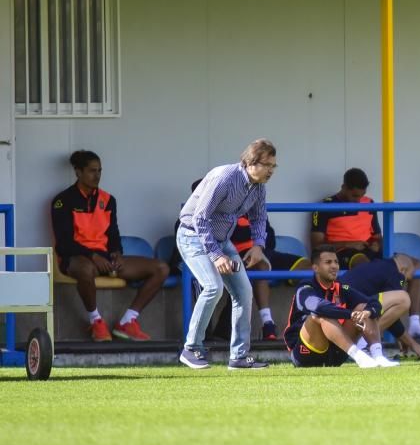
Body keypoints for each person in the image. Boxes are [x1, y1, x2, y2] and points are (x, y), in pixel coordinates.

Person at [176, 138, 276, 370]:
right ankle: (191, 349)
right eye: (267, 165)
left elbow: (259, 218)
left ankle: (239, 357)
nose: (271, 171)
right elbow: (200, 218)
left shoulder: (258, 186)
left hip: (222, 241)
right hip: (192, 236)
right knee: (213, 287)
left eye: (273, 166)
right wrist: (216, 255)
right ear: (251, 162)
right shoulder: (225, 178)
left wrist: (258, 245)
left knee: (244, 292)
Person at [51, 150, 169, 342]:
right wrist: (92, 256)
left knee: (161, 268)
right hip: (77, 259)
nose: (97, 175)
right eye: (91, 171)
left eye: (99, 171)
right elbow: (64, 244)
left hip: (104, 259)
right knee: (85, 269)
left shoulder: (108, 200)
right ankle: (96, 321)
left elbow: (113, 234)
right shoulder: (62, 201)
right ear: (78, 172)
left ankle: (128, 321)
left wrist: (116, 254)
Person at [174, 178, 310, 341]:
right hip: (203, 261)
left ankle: (305, 321)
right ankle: (203, 337)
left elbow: (269, 237)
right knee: (211, 284)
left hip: (248, 256)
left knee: (308, 267)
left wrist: (254, 246)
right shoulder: (189, 218)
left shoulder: (239, 208)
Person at [311, 168, 420, 339]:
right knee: (363, 262)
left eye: (361, 196)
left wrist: (376, 243)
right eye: (353, 196)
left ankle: (415, 323)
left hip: (368, 250)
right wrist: (348, 243)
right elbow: (317, 244)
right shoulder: (325, 206)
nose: (358, 200)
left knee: (416, 265)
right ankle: (369, 320)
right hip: (342, 252)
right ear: (343, 187)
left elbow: (377, 236)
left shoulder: (369, 203)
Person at [284, 244, 402, 368]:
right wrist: (350, 314)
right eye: (328, 262)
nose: (334, 266)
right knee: (320, 314)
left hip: (335, 353)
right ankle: (360, 357)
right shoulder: (305, 287)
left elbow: (374, 303)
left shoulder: (341, 286)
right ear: (316, 268)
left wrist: (368, 312)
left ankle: (378, 356)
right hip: (306, 354)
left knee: (363, 307)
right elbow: (318, 307)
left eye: (336, 262)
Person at [340, 253, 420, 358]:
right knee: (404, 299)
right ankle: (364, 343)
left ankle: (364, 343)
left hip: (340, 317)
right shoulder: (396, 274)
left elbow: (383, 312)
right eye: (407, 279)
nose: (405, 283)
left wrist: (402, 337)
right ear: (403, 270)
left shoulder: (378, 265)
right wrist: (413, 344)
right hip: (345, 321)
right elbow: (394, 315)